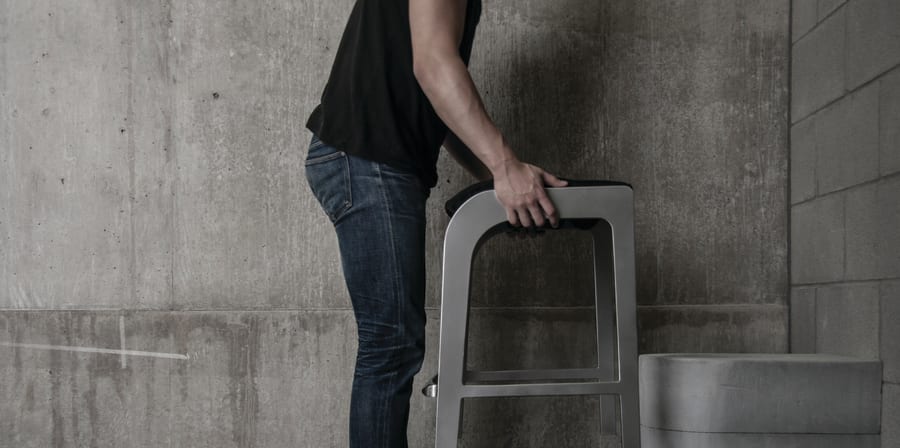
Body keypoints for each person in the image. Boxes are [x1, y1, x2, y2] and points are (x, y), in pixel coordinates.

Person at [304, 0, 567, 446]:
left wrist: (500, 173)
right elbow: (433, 65)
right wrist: (504, 168)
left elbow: (435, 95)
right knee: (390, 346)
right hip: (367, 158)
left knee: (391, 345)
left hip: (366, 158)